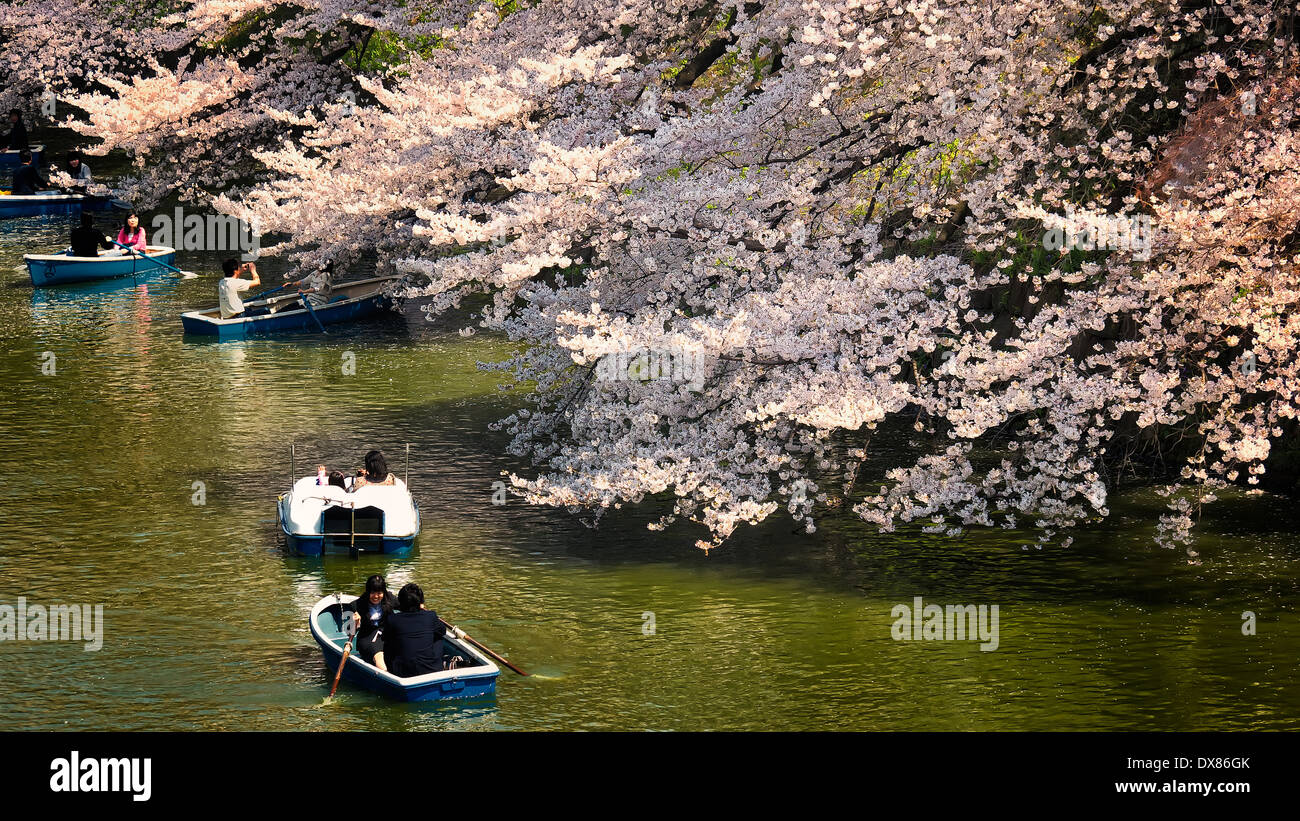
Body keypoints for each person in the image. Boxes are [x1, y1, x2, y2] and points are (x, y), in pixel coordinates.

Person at [382, 583, 447, 677]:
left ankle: (391, 670)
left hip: (403, 672)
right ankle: (438, 664)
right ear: (421, 602)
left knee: (389, 641)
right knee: (438, 636)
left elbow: (385, 638)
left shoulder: (392, 619)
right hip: (432, 669)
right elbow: (443, 630)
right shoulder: (430, 616)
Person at [350, 575, 397, 672]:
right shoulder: (358, 605)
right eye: (372, 593)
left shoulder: (390, 599)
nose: (376, 596)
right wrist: (356, 622)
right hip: (367, 637)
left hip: (386, 634)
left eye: (379, 593)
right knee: (379, 654)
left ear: (383, 592)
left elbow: (408, 605)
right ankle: (386, 675)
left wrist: (420, 607)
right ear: (368, 592)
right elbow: (351, 629)